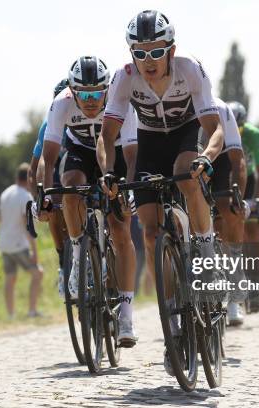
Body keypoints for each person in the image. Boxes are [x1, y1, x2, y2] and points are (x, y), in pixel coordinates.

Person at [97, 10, 233, 374]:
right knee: (153, 232)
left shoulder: (190, 68)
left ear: (171, 49)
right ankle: (172, 323)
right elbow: (106, 136)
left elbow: (214, 128)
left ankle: (204, 250)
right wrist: (108, 172)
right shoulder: (124, 78)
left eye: (155, 52)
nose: (148, 61)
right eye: (139, 53)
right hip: (150, 142)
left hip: (186, 136)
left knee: (185, 177)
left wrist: (206, 157)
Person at [40, 56, 139, 347]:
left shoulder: (122, 102)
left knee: (121, 230)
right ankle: (77, 255)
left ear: (107, 89)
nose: (91, 100)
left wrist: (129, 191)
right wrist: (46, 194)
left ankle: (126, 316)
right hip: (80, 150)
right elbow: (48, 157)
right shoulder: (61, 103)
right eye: (84, 94)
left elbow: (133, 155)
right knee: (69, 189)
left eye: (97, 92)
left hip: (118, 152)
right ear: (72, 90)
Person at [198, 97, 247, 325]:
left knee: (228, 211)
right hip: (193, 159)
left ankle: (235, 283)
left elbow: (238, 162)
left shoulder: (221, 109)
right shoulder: (175, 107)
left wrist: (238, 197)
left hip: (223, 159)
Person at [29, 79, 69, 298]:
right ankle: (64, 262)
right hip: (55, 173)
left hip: (79, 168)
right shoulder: (49, 125)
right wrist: (39, 199)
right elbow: (35, 168)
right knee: (53, 209)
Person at [228, 101, 259, 312]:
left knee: (252, 229)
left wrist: (258, 200)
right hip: (224, 175)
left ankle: (256, 282)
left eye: (239, 127)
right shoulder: (217, 124)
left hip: (249, 177)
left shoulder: (253, 134)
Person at [0, 164, 43, 319]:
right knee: (38, 273)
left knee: (10, 279)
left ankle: (11, 314)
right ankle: (32, 311)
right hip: (19, 243)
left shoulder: (5, 193)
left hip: (4, 243)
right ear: (29, 178)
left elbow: (2, 219)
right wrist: (35, 251)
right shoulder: (25, 196)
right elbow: (28, 225)